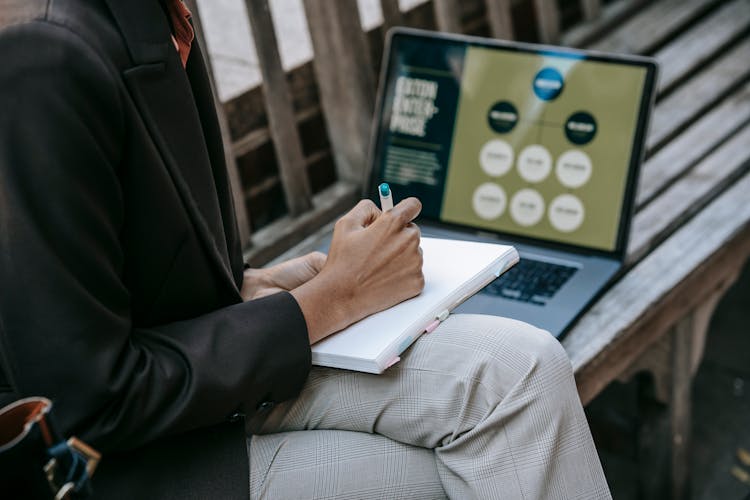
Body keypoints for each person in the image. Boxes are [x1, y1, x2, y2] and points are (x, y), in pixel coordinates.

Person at [0, 0, 611, 498]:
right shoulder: (42, 55)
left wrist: (247, 289)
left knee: (523, 369)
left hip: (186, 384)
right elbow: (82, 406)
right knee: (458, 479)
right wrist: (332, 298)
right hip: (113, 466)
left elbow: (90, 278)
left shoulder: (155, 14)